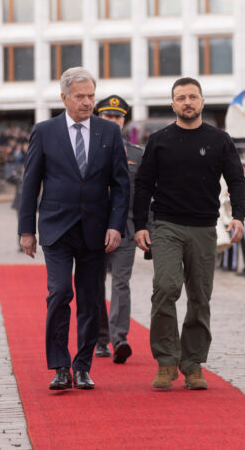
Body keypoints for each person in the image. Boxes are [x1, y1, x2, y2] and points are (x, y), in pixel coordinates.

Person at [19, 67, 130, 391]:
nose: (87, 102)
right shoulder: (45, 131)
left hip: (96, 229)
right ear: (64, 97)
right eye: (80, 96)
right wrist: (27, 230)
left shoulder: (108, 133)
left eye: (91, 96)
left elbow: (121, 185)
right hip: (56, 228)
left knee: (90, 299)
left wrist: (116, 226)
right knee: (59, 293)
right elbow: (31, 183)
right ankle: (59, 366)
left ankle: (82, 366)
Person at [133, 77, 245, 390]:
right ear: (172, 104)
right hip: (167, 226)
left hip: (204, 228)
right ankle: (166, 360)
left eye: (192, 97)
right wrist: (141, 224)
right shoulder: (159, 140)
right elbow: (143, 184)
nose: (187, 102)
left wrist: (239, 216)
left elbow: (236, 179)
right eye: (180, 97)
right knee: (165, 288)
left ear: (202, 102)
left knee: (200, 296)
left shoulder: (220, 140)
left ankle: (193, 363)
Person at [93, 94, 148, 364]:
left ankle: (119, 338)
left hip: (125, 229)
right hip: (92, 228)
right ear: (98, 117)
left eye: (117, 116)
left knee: (121, 283)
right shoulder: (87, 149)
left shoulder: (137, 155)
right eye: (107, 116)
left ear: (124, 120)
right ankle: (100, 337)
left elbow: (145, 196)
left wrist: (144, 227)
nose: (113, 121)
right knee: (93, 285)